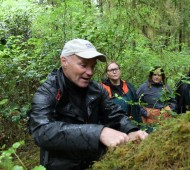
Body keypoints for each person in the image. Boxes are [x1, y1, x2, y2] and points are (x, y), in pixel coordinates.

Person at [28, 39, 148, 170]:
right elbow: (41, 130)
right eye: (83, 65)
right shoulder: (47, 91)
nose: (90, 72)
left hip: (94, 163)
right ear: (64, 61)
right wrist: (98, 133)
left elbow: (114, 115)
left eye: (92, 66)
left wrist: (132, 131)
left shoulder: (97, 90)